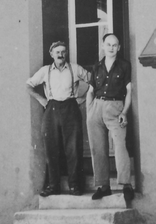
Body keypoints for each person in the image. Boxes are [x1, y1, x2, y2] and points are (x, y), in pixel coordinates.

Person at [26, 41, 92, 197]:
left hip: (71, 108)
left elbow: (93, 81)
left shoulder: (75, 69)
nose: (61, 54)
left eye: (63, 51)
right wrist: (41, 100)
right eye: (57, 52)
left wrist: (81, 99)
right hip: (52, 109)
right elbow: (28, 85)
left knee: (73, 149)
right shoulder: (45, 71)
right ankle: (53, 186)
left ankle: (75, 185)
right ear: (52, 54)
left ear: (66, 53)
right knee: (51, 149)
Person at [87, 33, 134, 201]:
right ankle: (103, 186)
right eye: (108, 44)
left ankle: (126, 184)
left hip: (116, 107)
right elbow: (91, 91)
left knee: (120, 146)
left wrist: (124, 112)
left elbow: (129, 91)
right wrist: (89, 110)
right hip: (96, 108)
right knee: (98, 148)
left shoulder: (124, 66)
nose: (111, 47)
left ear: (119, 47)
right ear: (103, 46)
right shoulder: (97, 67)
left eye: (115, 45)